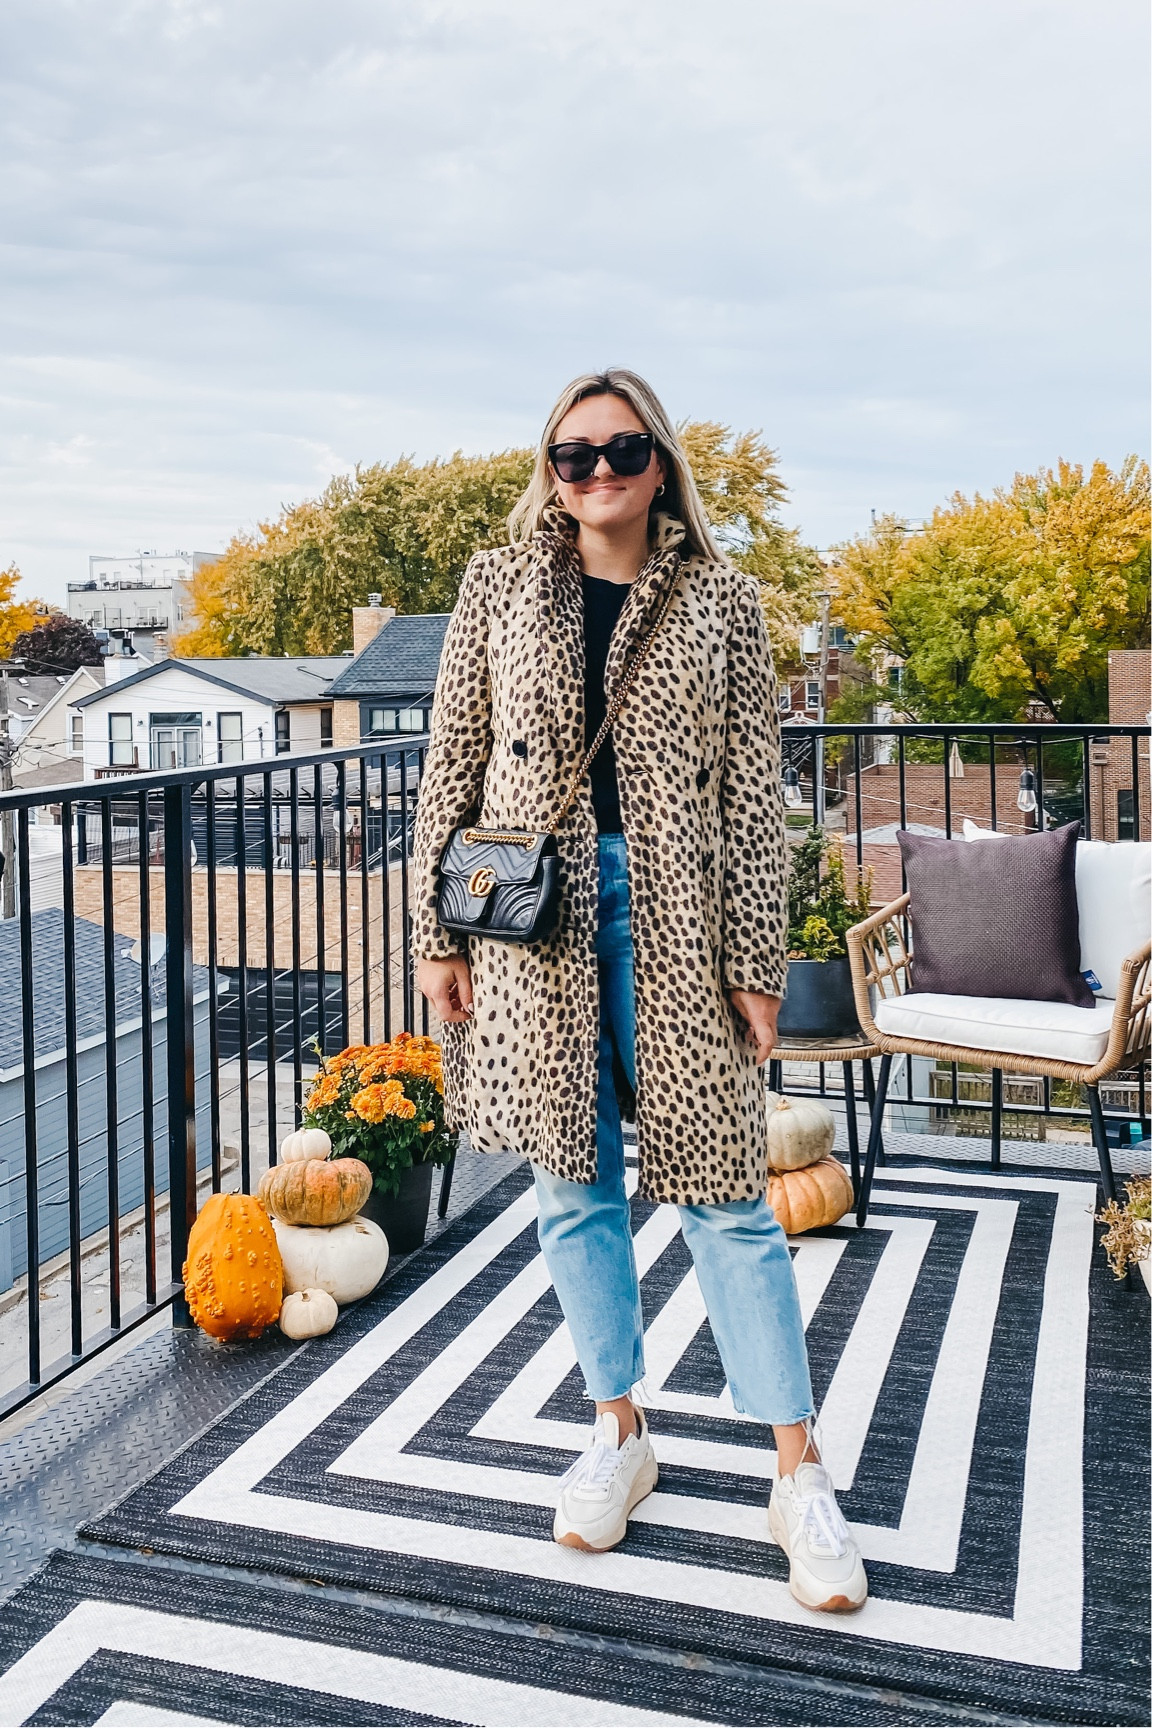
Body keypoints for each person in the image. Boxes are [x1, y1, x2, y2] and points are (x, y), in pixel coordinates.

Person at [412, 368, 866, 1613]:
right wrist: (434, 939)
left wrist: (756, 965)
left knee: (727, 1196)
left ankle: (796, 1470)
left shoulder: (724, 600)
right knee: (574, 1187)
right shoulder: (497, 584)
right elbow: (450, 757)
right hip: (529, 924)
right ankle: (619, 1428)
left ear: (659, 462)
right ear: (547, 469)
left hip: (679, 919)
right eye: (573, 455)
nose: (597, 473)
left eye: (620, 451)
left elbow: (752, 798)